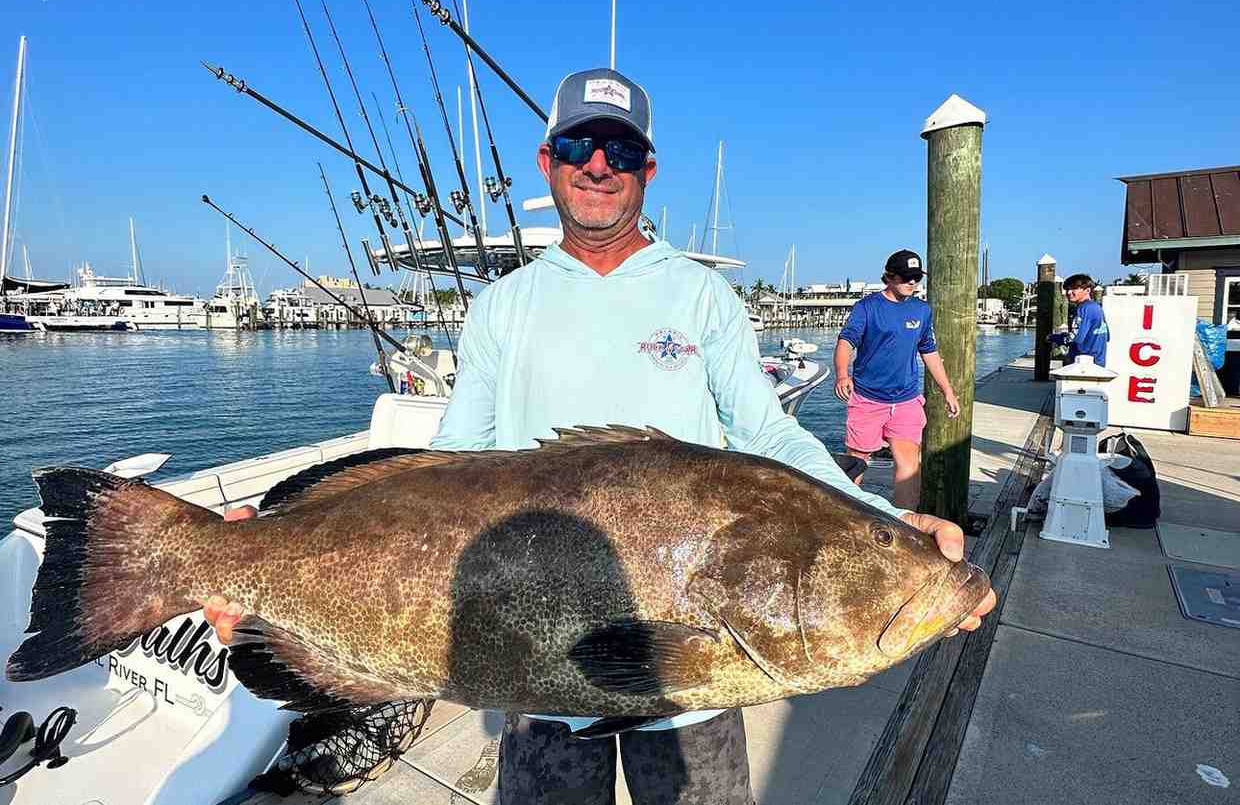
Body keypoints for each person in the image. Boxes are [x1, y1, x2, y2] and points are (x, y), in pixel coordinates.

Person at [205, 69, 995, 805]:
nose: (598, 165)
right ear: (548, 161)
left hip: (694, 690)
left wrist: (894, 528)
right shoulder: (501, 307)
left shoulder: (703, 296)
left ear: (648, 170)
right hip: (532, 671)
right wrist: (266, 556)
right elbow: (445, 469)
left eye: (621, 149)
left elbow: (768, 435)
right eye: (580, 145)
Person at [833, 251, 960, 511]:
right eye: (906, 277)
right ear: (889, 277)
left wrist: (947, 390)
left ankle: (905, 520)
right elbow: (846, 342)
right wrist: (842, 374)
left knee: (909, 464)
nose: (912, 282)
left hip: (906, 401)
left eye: (916, 277)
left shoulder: (922, 310)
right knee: (857, 462)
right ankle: (848, 515)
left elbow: (929, 352)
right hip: (867, 399)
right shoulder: (867, 307)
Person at [1049, 273, 1109, 366]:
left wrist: (1054, 337)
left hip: (1083, 364)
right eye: (1067, 289)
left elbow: (1076, 338)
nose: (1069, 292)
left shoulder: (1083, 309)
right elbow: (1107, 336)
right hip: (1098, 361)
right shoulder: (1097, 307)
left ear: (1087, 290)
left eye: (1074, 288)